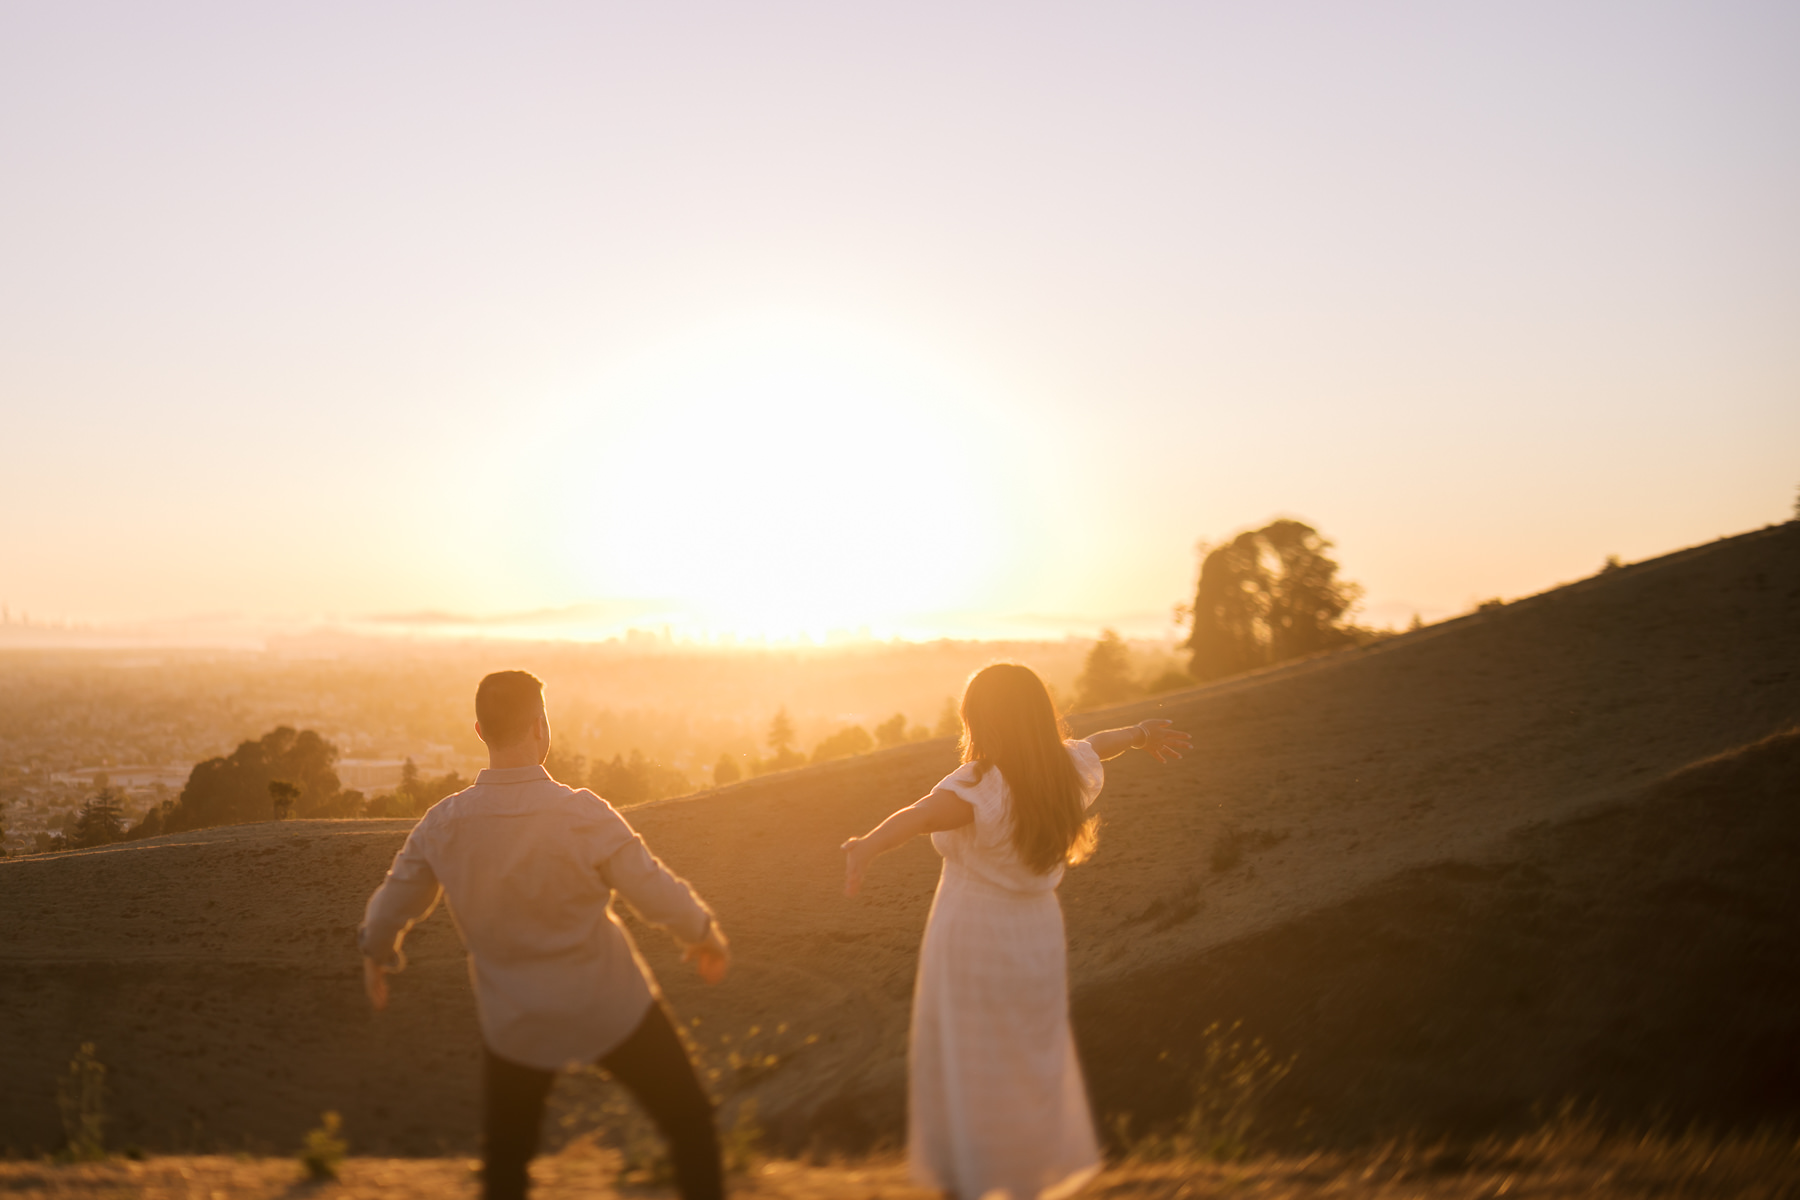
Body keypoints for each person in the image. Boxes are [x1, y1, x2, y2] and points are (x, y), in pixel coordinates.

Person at [360, 670, 731, 1200]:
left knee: (507, 1167)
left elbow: (394, 904)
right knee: (689, 1122)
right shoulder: (583, 814)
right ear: (541, 727)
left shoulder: (443, 824)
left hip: (516, 1022)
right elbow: (652, 889)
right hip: (611, 1006)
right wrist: (702, 934)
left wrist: (377, 953)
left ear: (479, 729)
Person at [841, 663, 1191, 1200]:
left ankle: (973, 1182)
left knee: (972, 1063)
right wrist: (1143, 735)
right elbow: (1101, 743)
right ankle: (1023, 1180)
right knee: (1028, 1056)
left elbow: (917, 814)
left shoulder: (977, 786)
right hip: (1036, 933)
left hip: (974, 931)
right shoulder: (1066, 769)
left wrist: (865, 845)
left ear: (982, 721)